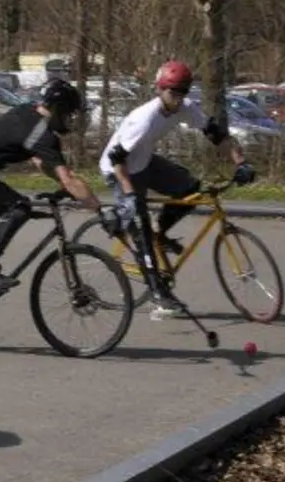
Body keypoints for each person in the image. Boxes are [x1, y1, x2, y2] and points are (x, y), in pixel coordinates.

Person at [98, 59, 257, 318]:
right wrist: (129, 196)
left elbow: (216, 134)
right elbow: (117, 160)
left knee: (190, 189)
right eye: (172, 92)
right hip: (120, 169)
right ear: (160, 90)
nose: (178, 98)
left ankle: (159, 233)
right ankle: (159, 293)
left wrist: (241, 162)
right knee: (140, 229)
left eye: (183, 91)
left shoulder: (186, 107)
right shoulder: (144, 119)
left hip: (145, 161)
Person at [0, 78, 102, 292]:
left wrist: (62, 183)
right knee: (18, 207)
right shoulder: (42, 134)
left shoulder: (28, 114)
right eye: (69, 113)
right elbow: (68, 178)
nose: (71, 119)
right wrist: (99, 209)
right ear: (59, 109)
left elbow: (40, 161)